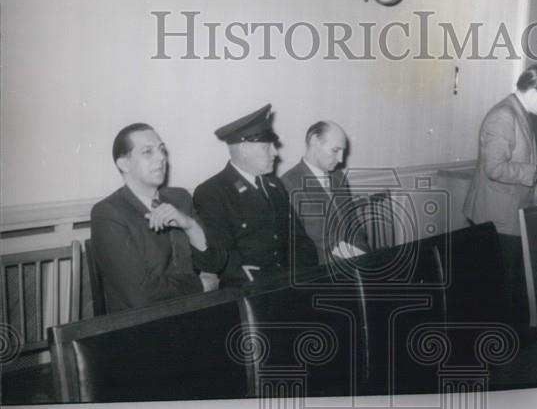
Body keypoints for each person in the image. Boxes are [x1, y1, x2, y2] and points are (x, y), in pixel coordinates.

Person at [463, 65, 537, 332]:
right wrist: (536, 173)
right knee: (499, 293)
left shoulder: (520, 113)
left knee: (509, 289)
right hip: (496, 218)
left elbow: (522, 163)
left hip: (510, 214)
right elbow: (494, 169)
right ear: (533, 90)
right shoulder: (504, 117)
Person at [90, 123, 226, 312]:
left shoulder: (180, 198)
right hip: (140, 326)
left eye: (162, 150)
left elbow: (217, 263)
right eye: (148, 152)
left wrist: (190, 225)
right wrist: (200, 285)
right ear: (124, 164)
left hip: (192, 314)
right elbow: (141, 294)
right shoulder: (108, 213)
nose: (161, 158)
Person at [193, 104, 318, 288]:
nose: (275, 153)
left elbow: (300, 240)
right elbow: (222, 255)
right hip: (251, 290)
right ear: (244, 148)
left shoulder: (275, 185)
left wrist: (297, 273)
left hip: (291, 281)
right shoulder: (212, 192)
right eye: (266, 147)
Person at [281, 121, 370, 265]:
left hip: (354, 263)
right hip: (323, 271)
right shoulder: (289, 183)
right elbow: (299, 247)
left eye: (342, 152)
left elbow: (354, 225)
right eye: (335, 150)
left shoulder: (338, 177)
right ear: (314, 141)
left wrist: (364, 256)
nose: (341, 159)